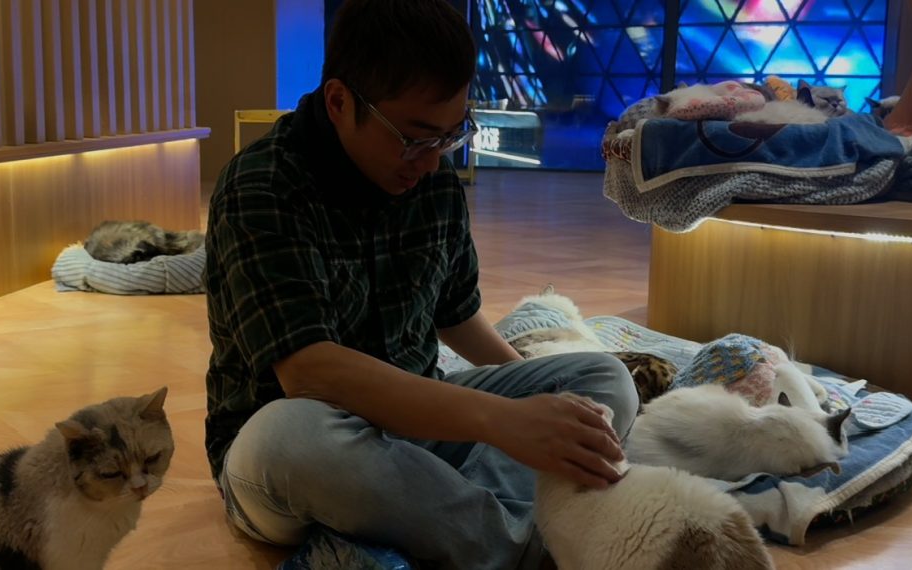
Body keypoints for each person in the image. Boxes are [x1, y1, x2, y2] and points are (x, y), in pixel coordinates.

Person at [203, 1, 638, 568]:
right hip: (294, 447)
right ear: (339, 103)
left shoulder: (432, 181)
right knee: (292, 436)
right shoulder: (263, 184)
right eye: (414, 138)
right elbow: (311, 373)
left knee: (601, 379)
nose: (432, 162)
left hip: (420, 421)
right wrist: (503, 421)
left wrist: (536, 404)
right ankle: (518, 541)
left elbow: (456, 315)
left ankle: (478, 526)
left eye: (450, 137)